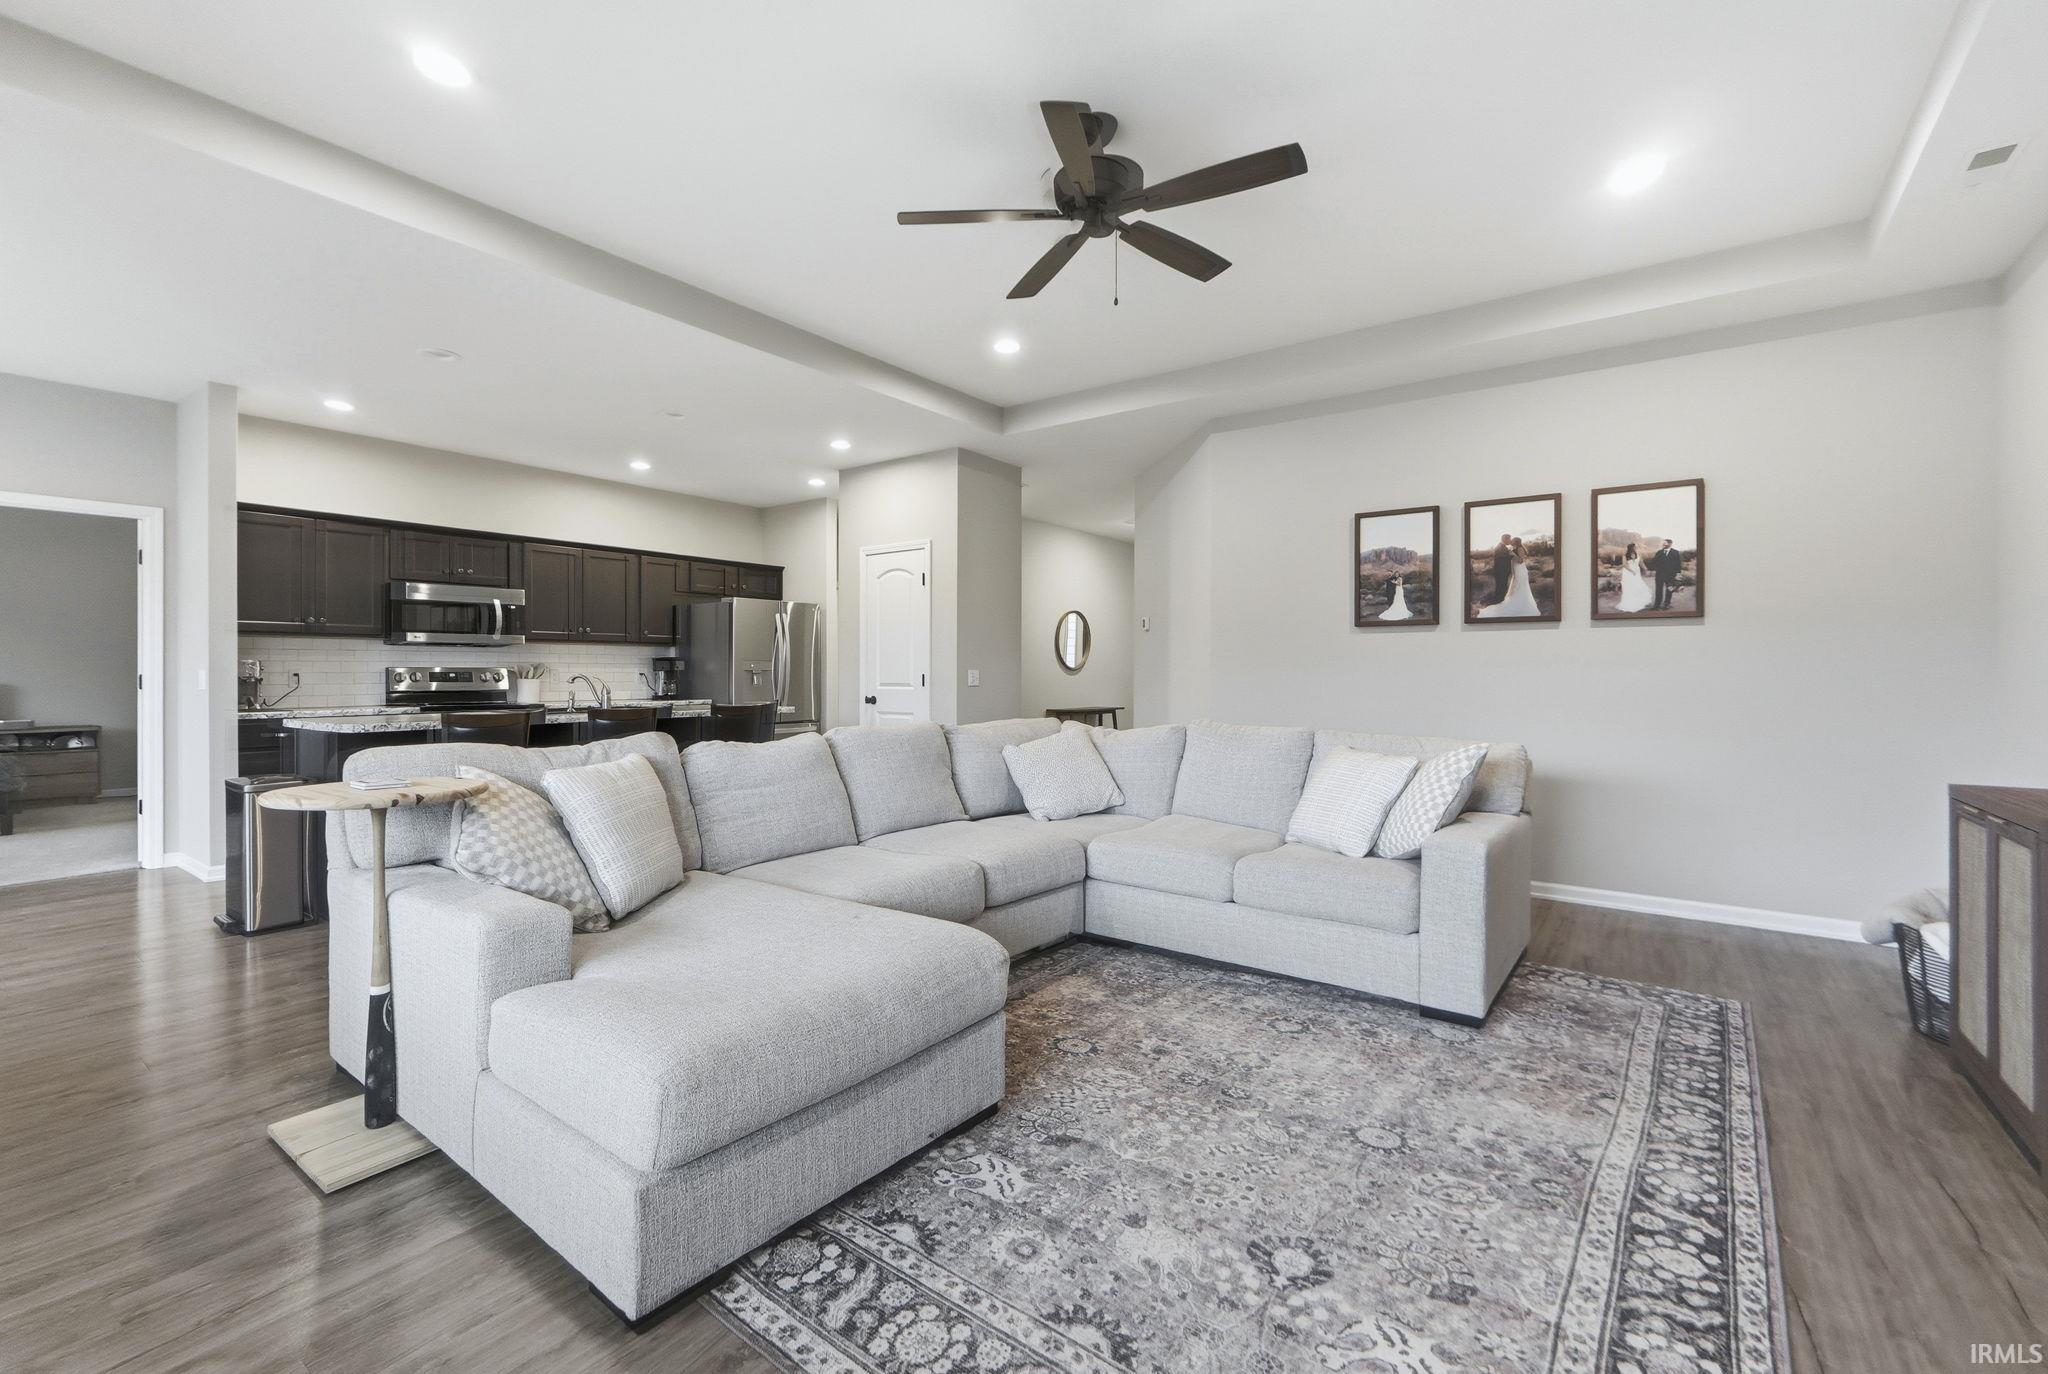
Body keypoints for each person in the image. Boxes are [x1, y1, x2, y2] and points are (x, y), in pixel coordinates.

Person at [1476, 537, 1539, 618]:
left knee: (1520, 587)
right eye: (1510, 540)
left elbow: (1520, 561)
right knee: (1515, 588)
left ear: (1515, 542)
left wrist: (1512, 554)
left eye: (1512, 541)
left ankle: (1522, 605)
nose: (1510, 541)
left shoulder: (1520, 548)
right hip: (1516, 572)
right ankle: (1518, 604)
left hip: (1521, 571)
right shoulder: (1514, 548)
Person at [1616, 540, 1653, 613]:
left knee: (1638, 586)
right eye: (1634, 547)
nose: (1635, 548)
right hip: (1628, 572)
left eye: (1635, 547)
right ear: (1631, 548)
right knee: (1629, 587)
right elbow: (1624, 565)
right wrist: (1631, 571)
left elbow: (1641, 563)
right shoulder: (1625, 555)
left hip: (1636, 572)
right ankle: (1629, 603)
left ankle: (1638, 601)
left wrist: (1646, 569)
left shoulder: (1638, 554)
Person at [1649, 538, 1684, 610]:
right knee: (1658, 590)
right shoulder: (1659, 552)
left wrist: (1678, 574)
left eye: (1665, 543)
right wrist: (1651, 570)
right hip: (1659, 575)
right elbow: (1654, 562)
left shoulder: (1675, 552)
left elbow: (1678, 564)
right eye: (1663, 543)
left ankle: (1666, 604)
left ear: (1670, 544)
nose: (1663, 544)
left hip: (1670, 575)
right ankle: (1657, 605)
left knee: (1669, 589)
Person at [1490, 534, 1515, 606]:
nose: (1510, 541)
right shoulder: (1500, 547)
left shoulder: (1502, 546)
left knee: (1501, 587)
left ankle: (1499, 602)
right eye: (1509, 539)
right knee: (1501, 587)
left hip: (1502, 571)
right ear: (1505, 539)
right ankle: (1498, 603)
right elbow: (1504, 557)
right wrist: (1512, 554)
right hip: (1501, 572)